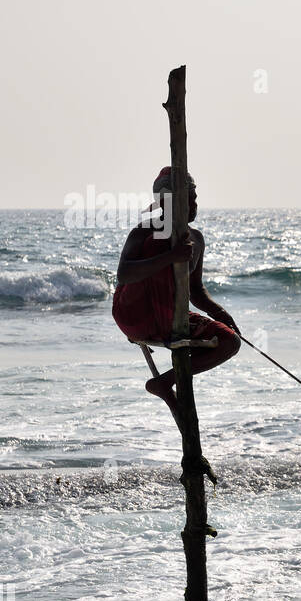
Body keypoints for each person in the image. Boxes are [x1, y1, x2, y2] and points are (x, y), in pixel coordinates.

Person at [112, 167, 240, 418]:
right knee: (159, 241)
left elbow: (196, 291)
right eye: (187, 198)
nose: (194, 204)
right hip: (137, 313)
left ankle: (165, 382)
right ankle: (170, 358)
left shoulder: (197, 239)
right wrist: (170, 256)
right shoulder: (145, 231)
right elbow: (124, 275)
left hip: (173, 316)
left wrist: (221, 313)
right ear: (167, 202)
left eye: (195, 196)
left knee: (230, 341)